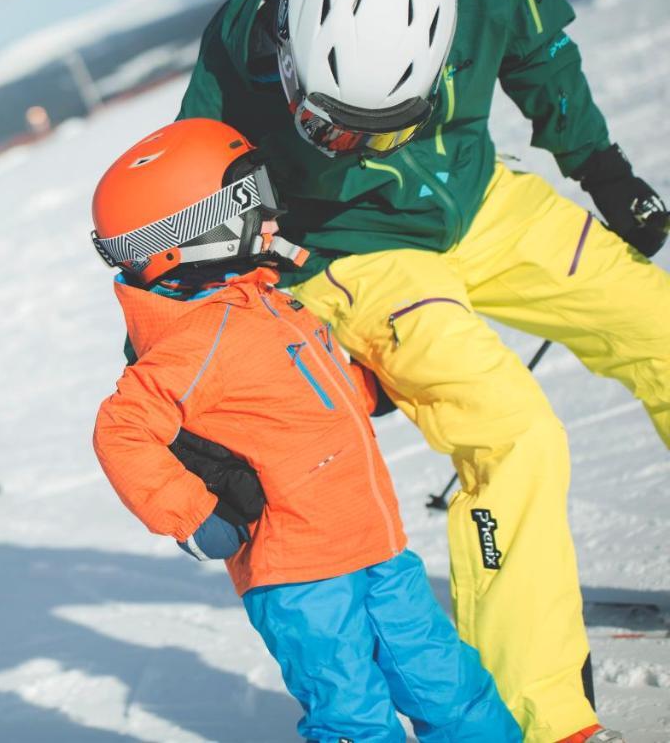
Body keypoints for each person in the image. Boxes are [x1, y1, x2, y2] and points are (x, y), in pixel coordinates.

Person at [177, 0, 668, 743]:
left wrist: (601, 166)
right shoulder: (235, 51)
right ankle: (539, 713)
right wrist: (186, 404)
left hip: (475, 197)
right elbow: (185, 230)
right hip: (356, 251)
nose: (346, 145)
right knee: (514, 433)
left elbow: (540, 51)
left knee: (656, 324)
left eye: (373, 127)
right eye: (326, 122)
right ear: (289, 52)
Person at [91, 118, 520, 742]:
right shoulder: (187, 346)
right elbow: (120, 431)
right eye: (252, 199)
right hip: (298, 577)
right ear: (190, 232)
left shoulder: (267, 297)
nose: (272, 212)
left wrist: (369, 389)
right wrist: (191, 515)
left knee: (449, 683)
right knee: (352, 715)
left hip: (377, 543)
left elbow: (298, 381)